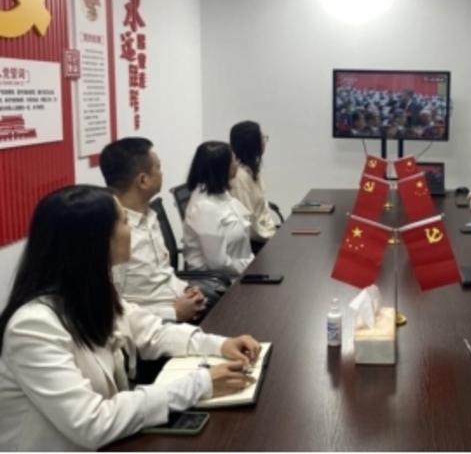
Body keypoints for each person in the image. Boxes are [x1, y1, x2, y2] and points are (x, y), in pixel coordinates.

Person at [0, 185, 261, 451]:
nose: (131, 231)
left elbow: (154, 332)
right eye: (124, 222)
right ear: (97, 239)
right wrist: (198, 385)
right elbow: (92, 423)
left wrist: (219, 345)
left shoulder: (91, 295)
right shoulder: (33, 327)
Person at [99, 138, 207, 323]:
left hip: (180, 311)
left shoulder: (149, 216)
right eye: (158, 168)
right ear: (143, 180)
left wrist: (187, 290)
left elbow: (163, 275)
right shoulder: (114, 234)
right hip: (154, 327)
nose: (161, 173)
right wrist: (173, 313)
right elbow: (112, 311)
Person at [183, 141, 254, 278]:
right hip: (218, 283)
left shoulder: (220, 194)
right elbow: (219, 264)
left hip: (238, 273)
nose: (237, 165)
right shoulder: (204, 208)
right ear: (221, 168)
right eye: (234, 161)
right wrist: (252, 265)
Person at [229, 122, 277, 254]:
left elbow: (264, 207)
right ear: (252, 144)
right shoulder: (239, 177)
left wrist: (272, 230)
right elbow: (248, 224)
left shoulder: (253, 171)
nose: (264, 142)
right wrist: (271, 236)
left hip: (263, 236)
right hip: (252, 245)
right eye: (262, 138)